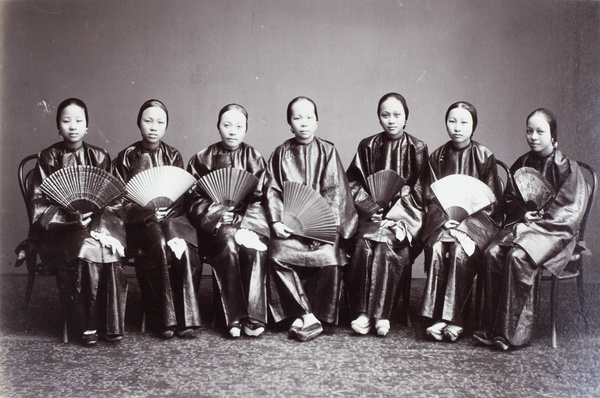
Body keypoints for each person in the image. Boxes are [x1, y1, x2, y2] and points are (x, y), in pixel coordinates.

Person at [473, 108, 588, 350]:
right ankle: (491, 328)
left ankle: (512, 334)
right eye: (529, 131)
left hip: (554, 232)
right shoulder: (522, 162)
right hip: (524, 226)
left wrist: (541, 220)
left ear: (553, 136)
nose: (533, 136)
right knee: (491, 253)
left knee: (518, 256)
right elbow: (509, 201)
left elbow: (569, 213)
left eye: (540, 132)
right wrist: (523, 214)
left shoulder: (568, 168)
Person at [29, 98, 127, 345]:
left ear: (87, 127)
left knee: (106, 248)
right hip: (59, 232)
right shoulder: (47, 157)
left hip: (95, 227)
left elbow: (114, 200)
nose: (73, 126)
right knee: (85, 250)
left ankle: (111, 325)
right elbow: (40, 206)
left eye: (79, 121)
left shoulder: (100, 156)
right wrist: (72, 218)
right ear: (58, 127)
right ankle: (87, 325)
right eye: (66, 120)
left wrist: (97, 224)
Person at [264, 96, 358, 341]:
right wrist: (276, 222)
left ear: (316, 122)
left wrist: (322, 230)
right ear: (290, 124)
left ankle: (309, 315)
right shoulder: (280, 153)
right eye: (297, 118)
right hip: (290, 229)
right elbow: (273, 191)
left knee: (329, 256)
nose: (303, 123)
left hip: (323, 230)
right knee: (276, 254)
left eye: (309, 117)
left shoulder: (328, 151)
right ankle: (307, 315)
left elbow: (334, 193)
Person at [113, 99, 201, 339]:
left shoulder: (173, 155)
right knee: (157, 242)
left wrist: (166, 211)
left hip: (171, 219)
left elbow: (181, 196)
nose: (153, 126)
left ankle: (187, 319)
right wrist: (148, 213)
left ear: (166, 126)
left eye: (160, 122)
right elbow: (119, 201)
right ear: (139, 123)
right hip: (139, 224)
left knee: (181, 245)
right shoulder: (125, 157)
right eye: (148, 121)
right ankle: (163, 318)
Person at [345, 92, 428, 336]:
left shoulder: (418, 147)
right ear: (379, 119)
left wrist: (397, 215)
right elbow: (353, 183)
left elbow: (421, 191)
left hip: (403, 220)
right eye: (385, 115)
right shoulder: (368, 145)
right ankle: (362, 312)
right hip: (372, 217)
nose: (391, 120)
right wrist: (371, 209)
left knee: (386, 243)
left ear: (406, 118)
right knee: (363, 243)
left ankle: (381, 314)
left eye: (397, 115)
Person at [419, 101, 502, 342]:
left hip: (473, 227)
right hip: (444, 224)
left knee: (457, 250)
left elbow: (492, 204)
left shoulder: (484, 156)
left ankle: (453, 319)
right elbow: (429, 197)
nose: (457, 127)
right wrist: (445, 221)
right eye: (452, 121)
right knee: (436, 247)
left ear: (473, 125)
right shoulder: (437, 156)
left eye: (464, 122)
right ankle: (436, 316)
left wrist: (465, 225)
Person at [187, 104, 270, 338]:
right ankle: (231, 317)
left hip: (246, 224)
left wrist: (243, 220)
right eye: (227, 125)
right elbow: (192, 199)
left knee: (255, 249)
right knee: (227, 242)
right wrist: (216, 214)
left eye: (239, 126)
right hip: (214, 229)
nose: (232, 131)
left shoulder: (254, 158)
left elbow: (261, 197)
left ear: (245, 130)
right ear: (218, 127)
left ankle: (254, 316)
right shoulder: (201, 159)